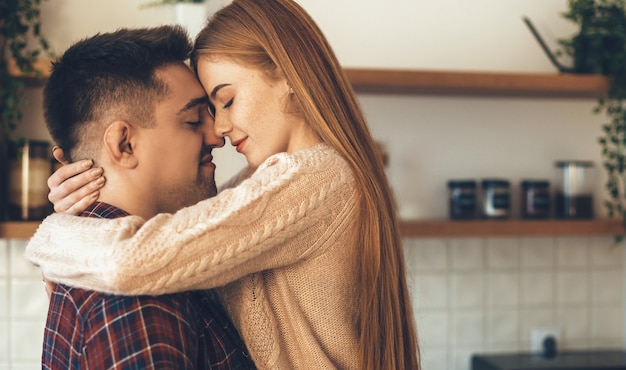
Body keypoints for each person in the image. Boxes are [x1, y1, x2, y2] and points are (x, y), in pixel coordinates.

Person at [26, 0, 421, 369]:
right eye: (206, 113)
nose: (220, 129)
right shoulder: (267, 183)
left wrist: (58, 231)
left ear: (287, 75)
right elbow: (188, 228)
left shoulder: (317, 177)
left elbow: (136, 260)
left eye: (227, 101)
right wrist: (80, 209)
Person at [36, 25, 255, 369]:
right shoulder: (137, 294)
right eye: (193, 119)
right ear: (124, 144)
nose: (217, 135)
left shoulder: (94, 259)